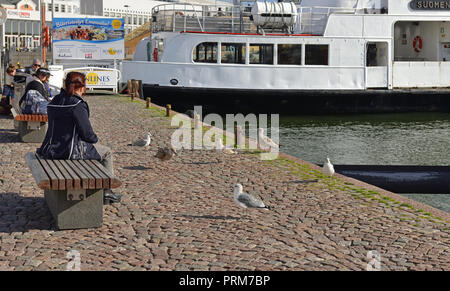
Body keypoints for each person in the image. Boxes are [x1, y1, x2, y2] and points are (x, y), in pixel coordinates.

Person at [37, 72, 121, 204]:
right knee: (106, 152)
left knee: (96, 150)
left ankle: (98, 186)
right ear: (82, 87)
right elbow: (87, 134)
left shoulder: (55, 100)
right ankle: (107, 191)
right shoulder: (77, 104)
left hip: (50, 149)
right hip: (69, 150)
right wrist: (94, 139)